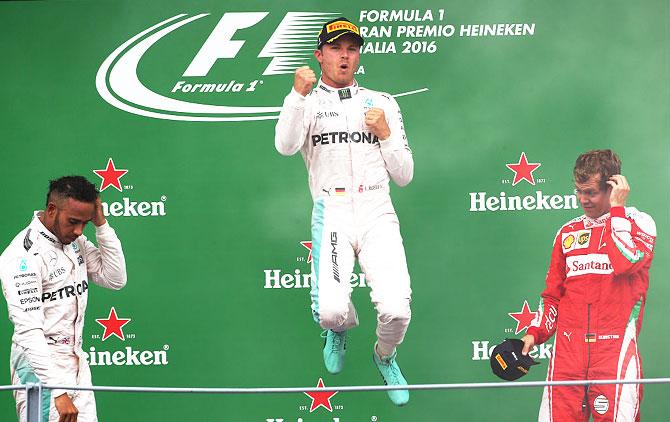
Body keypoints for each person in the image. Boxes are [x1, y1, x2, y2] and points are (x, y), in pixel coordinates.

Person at [274, 17, 413, 406]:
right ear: (320, 55)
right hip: (331, 209)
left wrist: (385, 134)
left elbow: (404, 175)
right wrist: (296, 97)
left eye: (351, 48)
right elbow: (284, 146)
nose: (344, 56)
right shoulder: (308, 101)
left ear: (358, 55)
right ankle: (338, 328)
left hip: (376, 209)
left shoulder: (382, 102)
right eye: (336, 48)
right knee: (332, 311)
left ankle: (385, 357)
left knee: (397, 311)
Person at [521, 150, 656, 421]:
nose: (583, 199)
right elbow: (552, 297)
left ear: (613, 187)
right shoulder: (567, 233)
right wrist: (534, 334)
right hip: (567, 356)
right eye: (579, 191)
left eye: (591, 192)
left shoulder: (639, 223)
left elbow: (625, 263)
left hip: (613, 353)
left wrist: (617, 211)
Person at [0, 176, 127, 422]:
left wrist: (101, 225)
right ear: (51, 210)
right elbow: (28, 331)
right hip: (39, 365)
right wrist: (58, 391)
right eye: (73, 222)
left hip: (77, 361)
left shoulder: (75, 241)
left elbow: (115, 278)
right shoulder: (22, 256)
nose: (79, 230)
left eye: (85, 223)